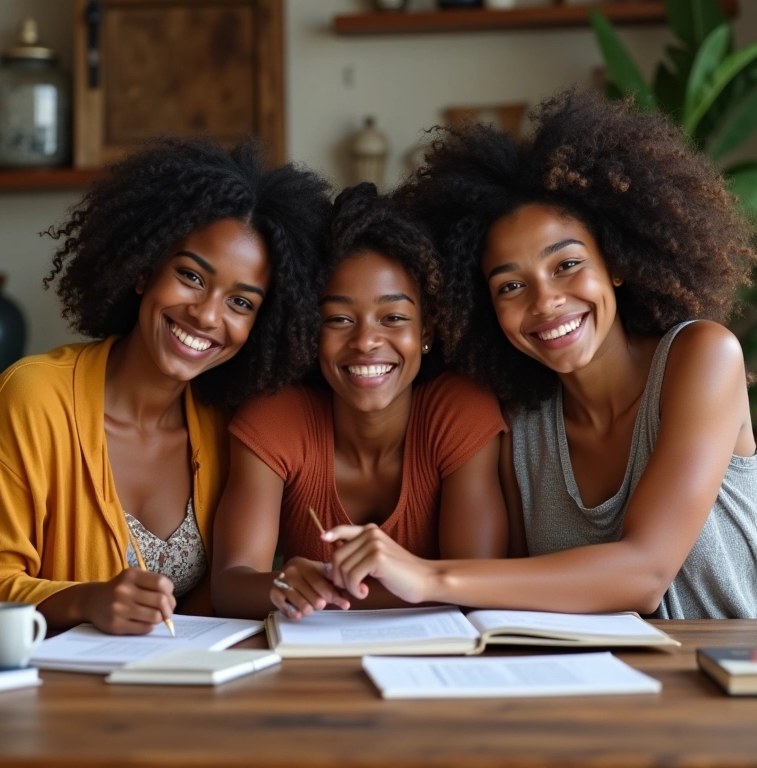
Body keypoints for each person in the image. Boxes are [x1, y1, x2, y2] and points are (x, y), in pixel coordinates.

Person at [320, 90, 757, 619]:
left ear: (616, 262)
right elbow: (510, 594)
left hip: (722, 666)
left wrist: (430, 575)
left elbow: (645, 573)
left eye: (566, 265)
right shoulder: (520, 419)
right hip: (584, 669)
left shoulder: (702, 357)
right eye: (510, 286)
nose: (545, 302)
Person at [0, 136, 331, 634]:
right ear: (143, 271)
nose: (207, 315)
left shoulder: (228, 426)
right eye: (191, 276)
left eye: (241, 303)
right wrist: (86, 601)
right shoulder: (33, 397)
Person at [211, 183, 508, 620]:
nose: (366, 340)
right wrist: (280, 585)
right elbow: (229, 585)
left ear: (426, 331)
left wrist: (335, 596)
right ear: (310, 331)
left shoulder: (459, 412)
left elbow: (479, 583)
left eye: (394, 317)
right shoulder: (276, 417)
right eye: (339, 319)